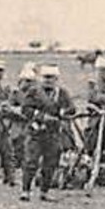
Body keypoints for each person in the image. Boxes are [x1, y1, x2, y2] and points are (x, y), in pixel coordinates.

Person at [19, 65, 74, 201]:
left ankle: (44, 191)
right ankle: (25, 191)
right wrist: (41, 116)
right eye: (45, 77)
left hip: (53, 133)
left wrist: (62, 112)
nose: (48, 81)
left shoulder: (62, 93)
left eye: (51, 78)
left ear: (56, 79)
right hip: (36, 131)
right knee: (31, 161)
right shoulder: (34, 91)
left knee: (51, 162)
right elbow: (25, 109)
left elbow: (72, 108)